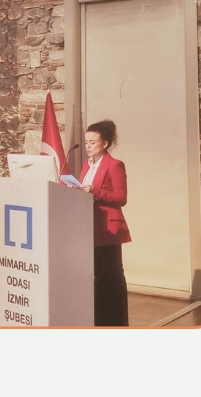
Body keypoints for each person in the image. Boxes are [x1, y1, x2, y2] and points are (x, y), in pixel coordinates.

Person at [79, 119, 131, 326]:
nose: (88, 146)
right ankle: (99, 321)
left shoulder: (114, 165)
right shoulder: (86, 165)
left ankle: (117, 323)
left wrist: (95, 191)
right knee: (95, 277)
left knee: (111, 277)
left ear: (105, 143)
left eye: (93, 142)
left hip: (108, 228)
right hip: (88, 226)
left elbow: (121, 198)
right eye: (86, 142)